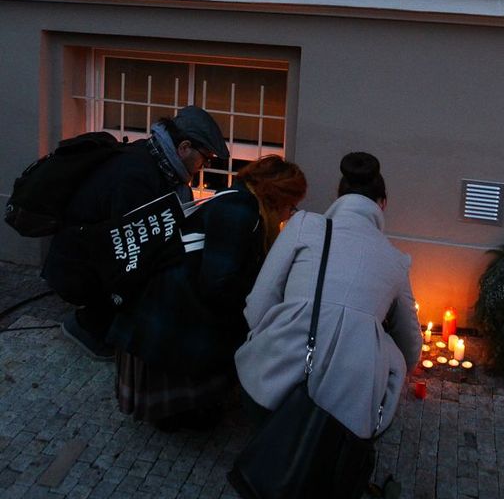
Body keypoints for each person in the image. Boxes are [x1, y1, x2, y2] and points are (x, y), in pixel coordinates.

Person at [109, 155, 307, 431]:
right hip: (172, 317)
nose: (290, 213)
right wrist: (251, 309)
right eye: (292, 205)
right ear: (277, 198)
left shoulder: (232, 198)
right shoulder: (241, 213)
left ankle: (182, 410)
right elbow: (218, 283)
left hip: (165, 308)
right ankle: (181, 413)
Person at [235, 152, 422, 439]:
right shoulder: (395, 260)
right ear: (382, 204)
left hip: (273, 380)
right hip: (349, 408)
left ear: (338, 195)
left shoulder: (303, 226)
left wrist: (269, 336)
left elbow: (258, 304)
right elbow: (410, 346)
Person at [42, 105, 227, 360]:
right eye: (205, 157)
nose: (205, 164)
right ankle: (89, 326)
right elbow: (130, 248)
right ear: (184, 147)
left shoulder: (154, 160)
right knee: (154, 271)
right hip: (78, 265)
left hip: (87, 253)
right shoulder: (137, 175)